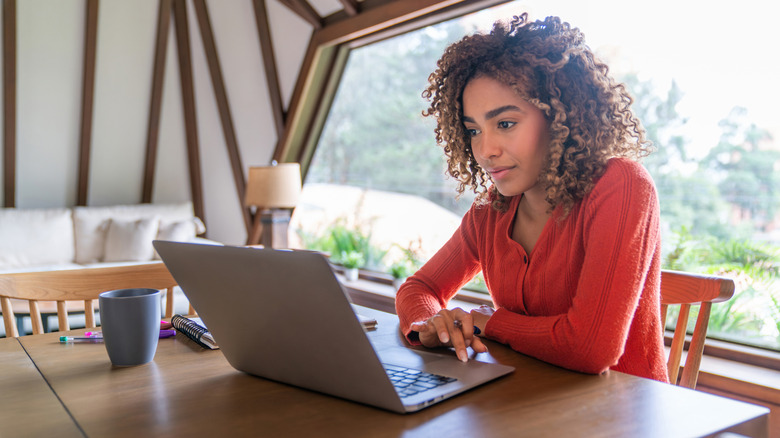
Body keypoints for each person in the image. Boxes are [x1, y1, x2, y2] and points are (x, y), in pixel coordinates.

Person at [395, 13, 669, 382]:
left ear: (560, 117)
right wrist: (433, 324)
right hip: (524, 400)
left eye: (505, 123)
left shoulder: (620, 185)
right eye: (473, 130)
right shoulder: (490, 212)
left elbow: (591, 348)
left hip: (622, 413)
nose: (485, 149)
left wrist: (489, 322)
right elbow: (420, 288)